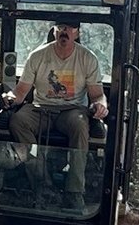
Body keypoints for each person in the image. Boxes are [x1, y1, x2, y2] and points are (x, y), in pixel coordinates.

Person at [9, 19, 108, 199]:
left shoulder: (87, 58)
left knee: (79, 124)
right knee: (18, 120)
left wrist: (101, 105)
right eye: (61, 27)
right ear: (54, 31)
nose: (65, 31)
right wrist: (8, 98)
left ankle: (74, 191)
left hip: (72, 110)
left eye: (70, 28)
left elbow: (97, 95)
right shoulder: (37, 56)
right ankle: (41, 182)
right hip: (41, 108)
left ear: (77, 33)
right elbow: (21, 92)